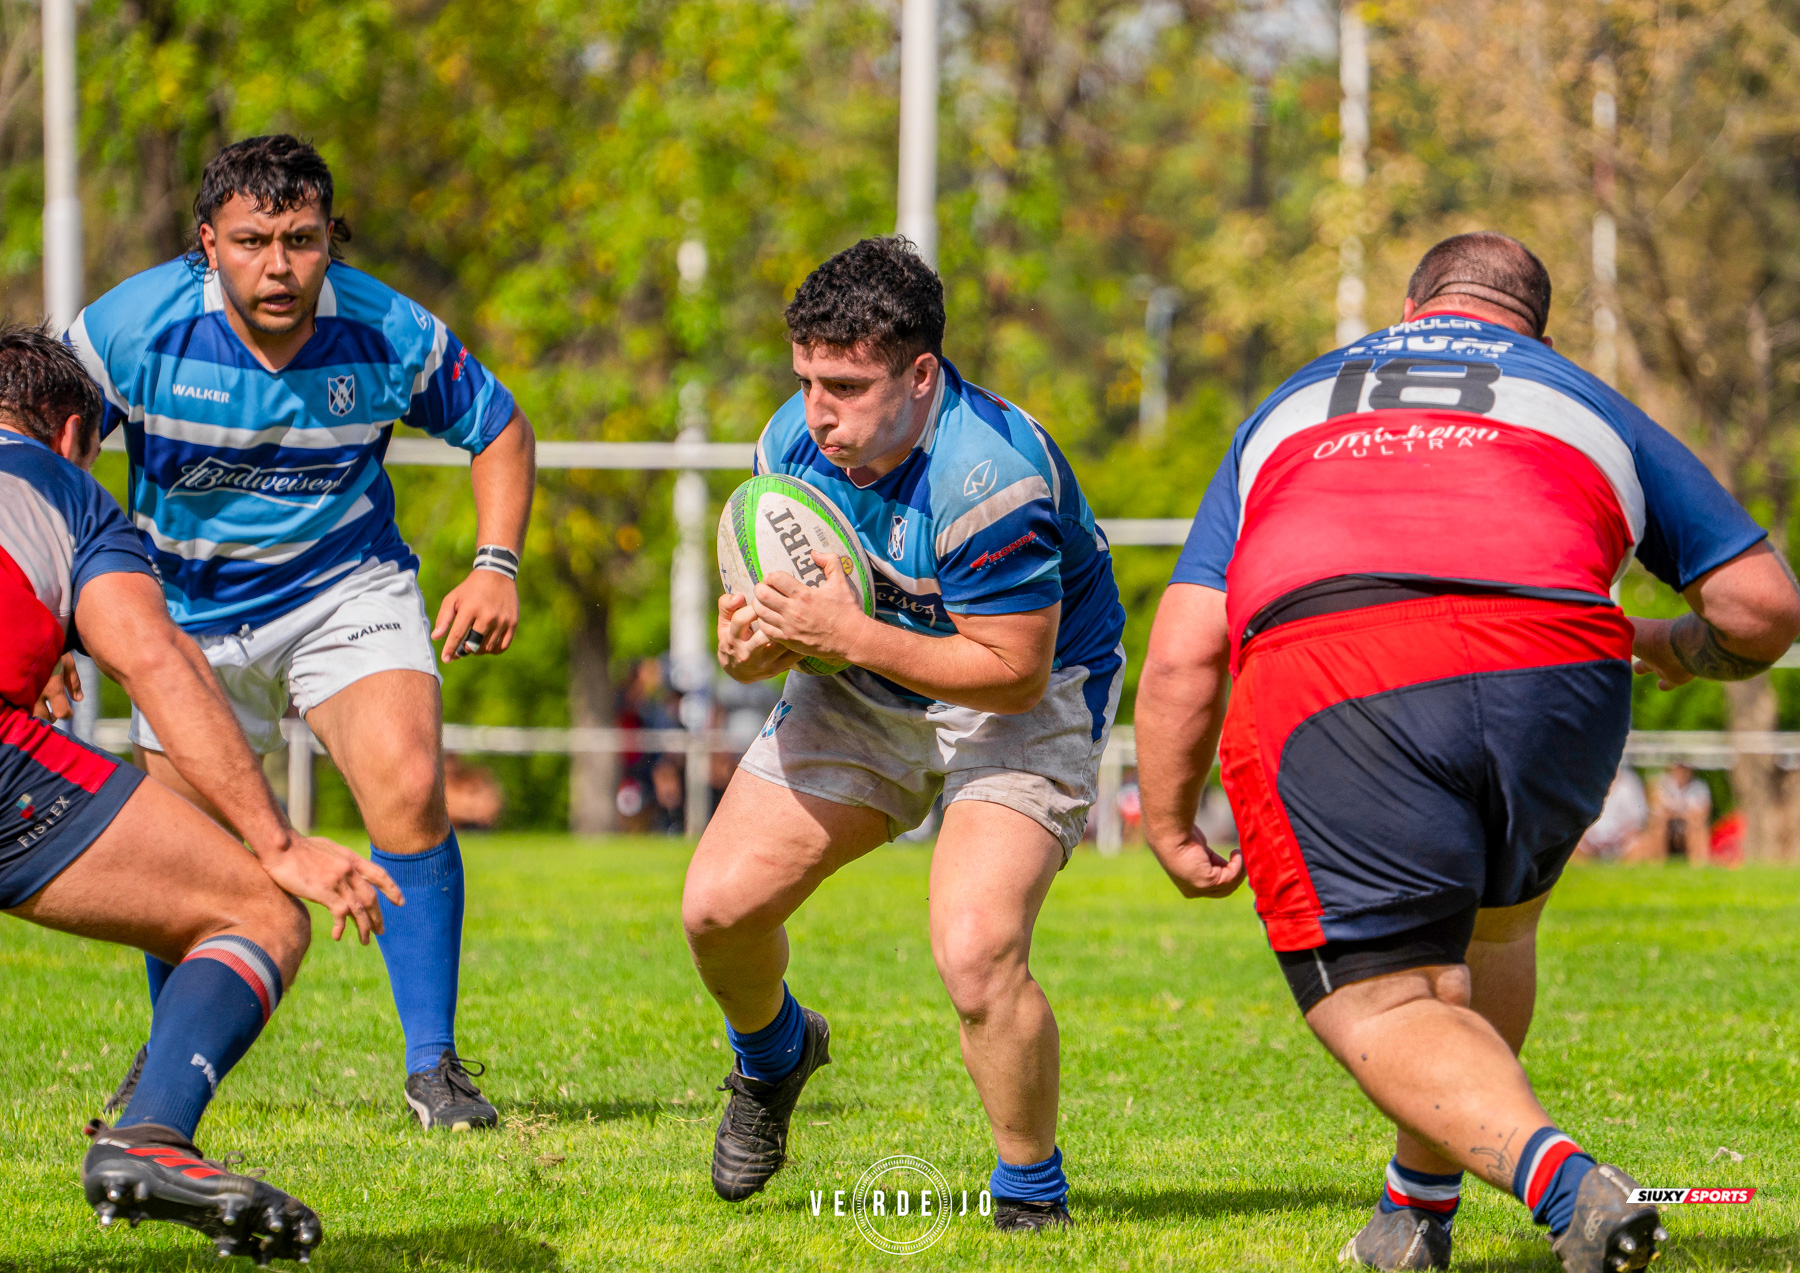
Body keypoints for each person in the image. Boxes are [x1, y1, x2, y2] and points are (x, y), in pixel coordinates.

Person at [1134, 232, 1800, 1273]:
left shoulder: (1296, 403)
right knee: (1495, 927)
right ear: (1532, 329)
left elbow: (1183, 652)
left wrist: (1170, 819)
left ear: (1410, 308)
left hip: (1343, 662)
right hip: (1559, 671)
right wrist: (1668, 643)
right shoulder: (1581, 400)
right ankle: (1417, 1212)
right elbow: (1760, 609)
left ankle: (1567, 1183)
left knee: (1381, 996)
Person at [66, 134, 537, 1131]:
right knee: (188, 851)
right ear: (207, 243)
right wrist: (49, 615)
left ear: (332, 238)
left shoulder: (388, 331)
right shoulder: (131, 328)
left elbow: (498, 425)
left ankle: (434, 1066)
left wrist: (497, 562)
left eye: (301, 240)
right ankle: (169, 1066)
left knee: (410, 784)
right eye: (250, 241)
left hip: (343, 586)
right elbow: (40, 450)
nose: (278, 267)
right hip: (182, 607)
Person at [681, 237, 1126, 1229]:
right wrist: (753, 646)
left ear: (921, 374)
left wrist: (843, 633)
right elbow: (765, 638)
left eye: (844, 384)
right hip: (863, 678)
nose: (816, 411)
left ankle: (1030, 1193)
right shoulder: (792, 448)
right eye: (804, 379)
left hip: (1028, 690)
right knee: (717, 909)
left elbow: (1009, 675)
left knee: (975, 948)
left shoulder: (990, 478)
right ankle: (775, 1055)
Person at [0, 324, 400, 1260]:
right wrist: (279, 840)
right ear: (70, 435)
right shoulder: (62, 486)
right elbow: (156, 657)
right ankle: (151, 1136)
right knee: (257, 913)